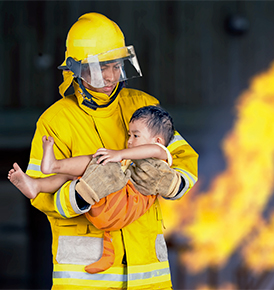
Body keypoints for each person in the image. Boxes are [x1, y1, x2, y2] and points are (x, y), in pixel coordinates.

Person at [24, 12, 198, 290]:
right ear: (75, 71)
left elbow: (184, 159)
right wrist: (80, 194)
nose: (109, 76)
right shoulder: (55, 120)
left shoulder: (145, 106)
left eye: (116, 65)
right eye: (97, 67)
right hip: (86, 280)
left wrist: (171, 181)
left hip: (148, 276)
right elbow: (40, 195)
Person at [10, 105, 179, 275]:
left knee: (100, 162)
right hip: (110, 213)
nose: (129, 141)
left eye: (135, 136)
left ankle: (55, 165)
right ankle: (37, 185)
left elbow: (149, 149)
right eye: (129, 135)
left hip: (122, 206)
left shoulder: (160, 154)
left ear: (158, 140)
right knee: (81, 174)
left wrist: (119, 154)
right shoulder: (135, 162)